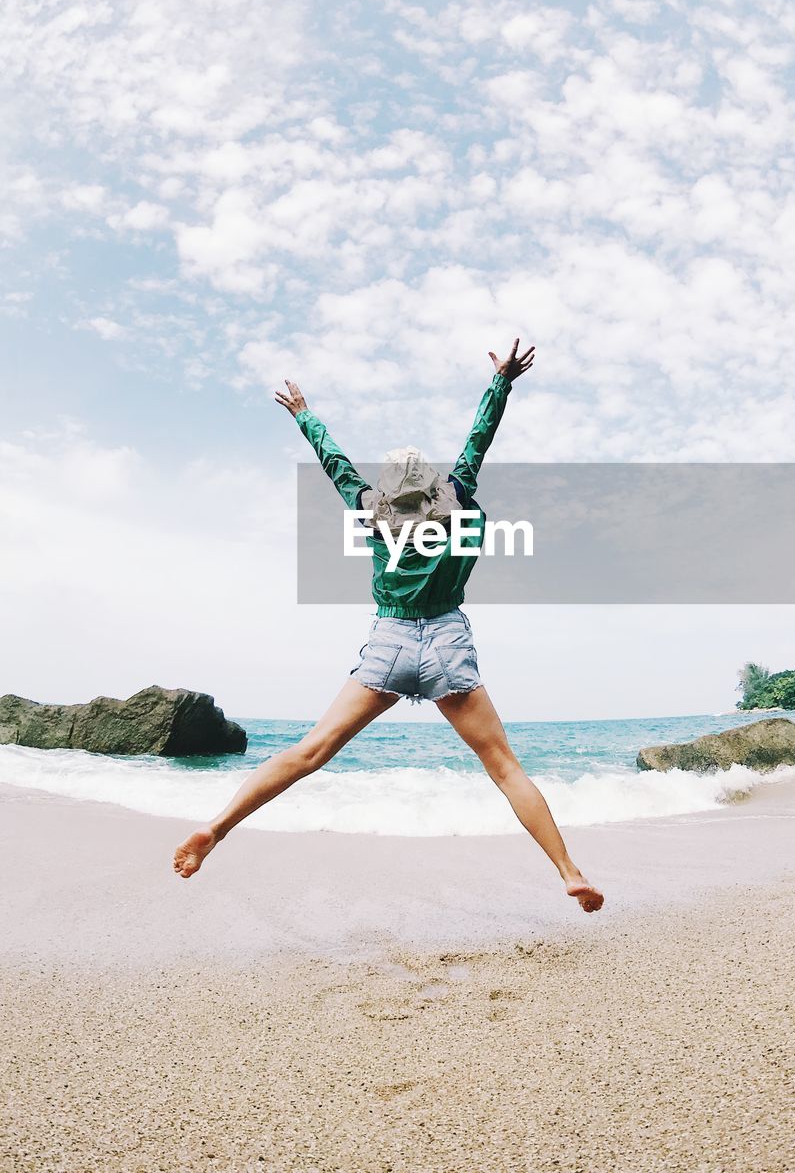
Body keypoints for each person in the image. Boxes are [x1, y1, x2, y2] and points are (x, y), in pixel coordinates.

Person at [173, 339, 604, 914]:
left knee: (310, 751)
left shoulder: (370, 511)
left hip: (390, 643)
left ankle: (218, 828)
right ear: (431, 484)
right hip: (447, 644)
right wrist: (502, 381)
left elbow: (337, 466)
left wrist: (305, 415)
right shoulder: (457, 497)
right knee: (503, 766)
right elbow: (479, 439)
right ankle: (569, 871)